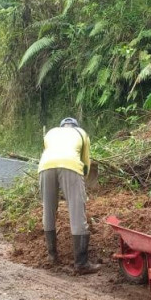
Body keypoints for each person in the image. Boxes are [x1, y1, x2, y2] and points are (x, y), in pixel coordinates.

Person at [38, 117, 100, 274]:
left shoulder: (51, 133)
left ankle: (52, 256)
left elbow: (48, 152)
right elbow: (85, 163)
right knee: (77, 212)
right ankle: (81, 263)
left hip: (45, 167)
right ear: (75, 126)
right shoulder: (81, 133)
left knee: (48, 210)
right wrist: (82, 182)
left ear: (61, 126)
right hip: (71, 166)